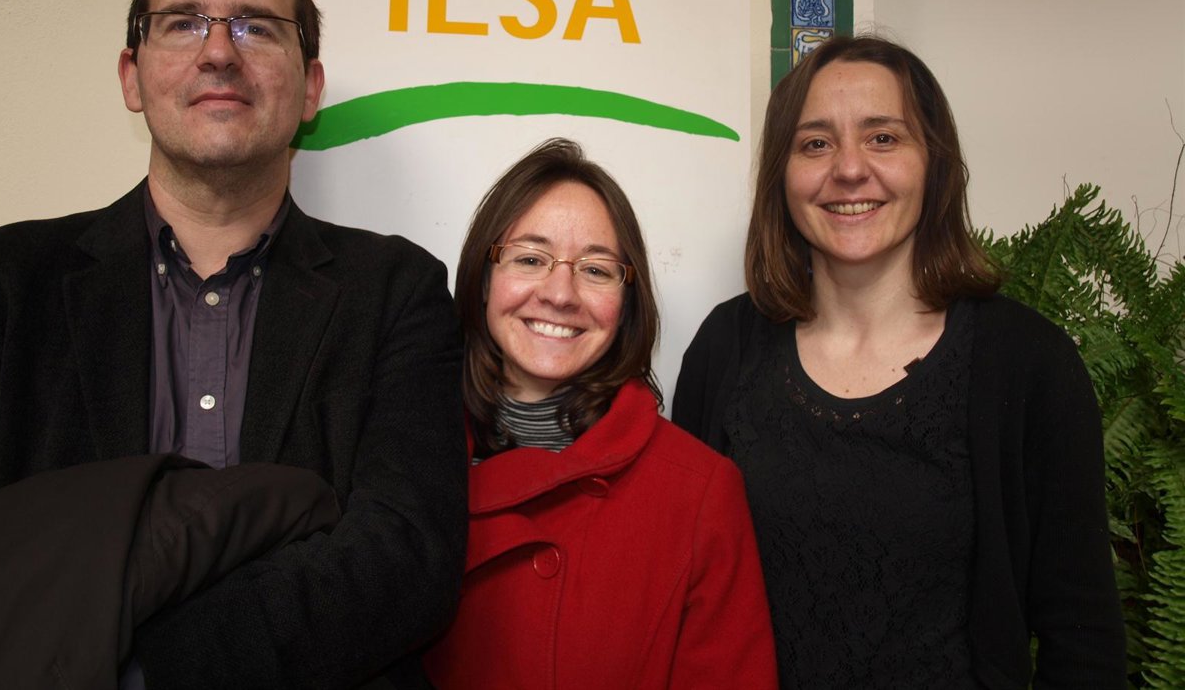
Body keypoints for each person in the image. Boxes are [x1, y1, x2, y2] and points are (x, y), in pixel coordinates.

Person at [0, 0, 467, 689]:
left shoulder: (396, 290)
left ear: (310, 88)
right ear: (132, 76)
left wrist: (147, 666)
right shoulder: (8, 282)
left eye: (257, 27)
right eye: (183, 23)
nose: (218, 52)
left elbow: (406, 556)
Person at [673, 36, 1126, 689]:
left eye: (883, 138)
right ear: (781, 175)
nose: (849, 169)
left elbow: (1082, 639)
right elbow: (682, 599)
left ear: (934, 164)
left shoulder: (1029, 364)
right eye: (815, 143)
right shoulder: (725, 348)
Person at [421, 138, 777, 690]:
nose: (561, 294)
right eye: (530, 259)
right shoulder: (400, 451)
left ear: (626, 302)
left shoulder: (700, 493)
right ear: (485, 279)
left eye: (595, 269)